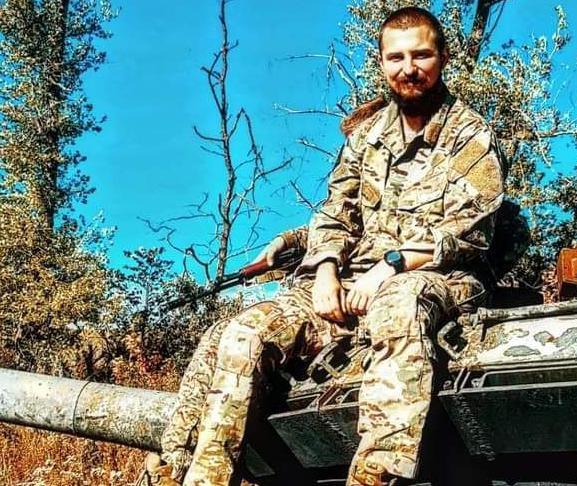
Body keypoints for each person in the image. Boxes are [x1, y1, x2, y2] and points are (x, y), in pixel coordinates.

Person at [139, 6, 505, 486]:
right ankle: (199, 478)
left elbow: (471, 232)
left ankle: (378, 474)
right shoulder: (368, 136)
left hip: (437, 281)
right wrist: (327, 269)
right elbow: (336, 212)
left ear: (443, 58)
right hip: (351, 284)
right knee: (244, 332)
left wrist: (391, 266)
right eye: (396, 57)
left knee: (399, 303)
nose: (408, 68)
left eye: (421, 55)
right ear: (381, 64)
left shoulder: (469, 134)